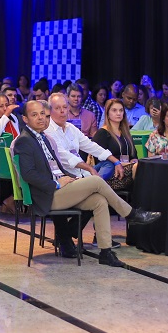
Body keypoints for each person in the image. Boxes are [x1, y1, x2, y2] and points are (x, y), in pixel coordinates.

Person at [12, 100, 160, 264]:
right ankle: (131, 214)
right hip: (46, 195)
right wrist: (57, 184)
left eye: (42, 113)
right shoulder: (24, 141)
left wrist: (69, 178)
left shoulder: (43, 137)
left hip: (60, 186)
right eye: (34, 115)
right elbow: (28, 174)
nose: (41, 118)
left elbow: (58, 165)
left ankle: (106, 252)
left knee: (99, 201)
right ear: (25, 119)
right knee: (96, 181)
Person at [47, 93, 123, 181]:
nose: (62, 111)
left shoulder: (71, 128)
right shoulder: (48, 130)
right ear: (49, 111)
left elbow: (90, 145)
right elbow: (64, 156)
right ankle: (97, 183)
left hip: (84, 173)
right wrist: (89, 168)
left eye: (65, 107)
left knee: (109, 163)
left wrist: (116, 161)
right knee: (99, 183)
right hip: (68, 177)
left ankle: (96, 183)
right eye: (57, 108)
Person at [93, 98, 138, 193]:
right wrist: (122, 164)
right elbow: (100, 160)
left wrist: (134, 160)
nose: (118, 113)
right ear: (107, 114)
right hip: (113, 173)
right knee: (138, 168)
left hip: (129, 169)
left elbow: (134, 155)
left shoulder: (126, 133)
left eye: (121, 110)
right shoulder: (102, 133)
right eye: (114, 110)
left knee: (143, 167)